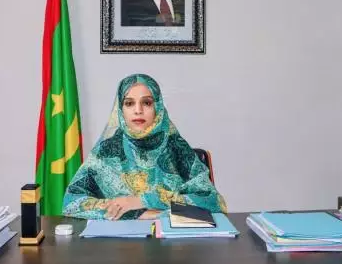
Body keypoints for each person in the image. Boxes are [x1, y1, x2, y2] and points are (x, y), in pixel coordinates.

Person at [62, 74, 226, 220]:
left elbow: (213, 202)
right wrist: (139, 214)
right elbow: (71, 203)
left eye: (146, 103)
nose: (138, 110)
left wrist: (141, 201)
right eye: (129, 103)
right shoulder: (105, 151)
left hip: (171, 239)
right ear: (120, 109)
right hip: (119, 241)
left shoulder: (177, 147)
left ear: (158, 107)